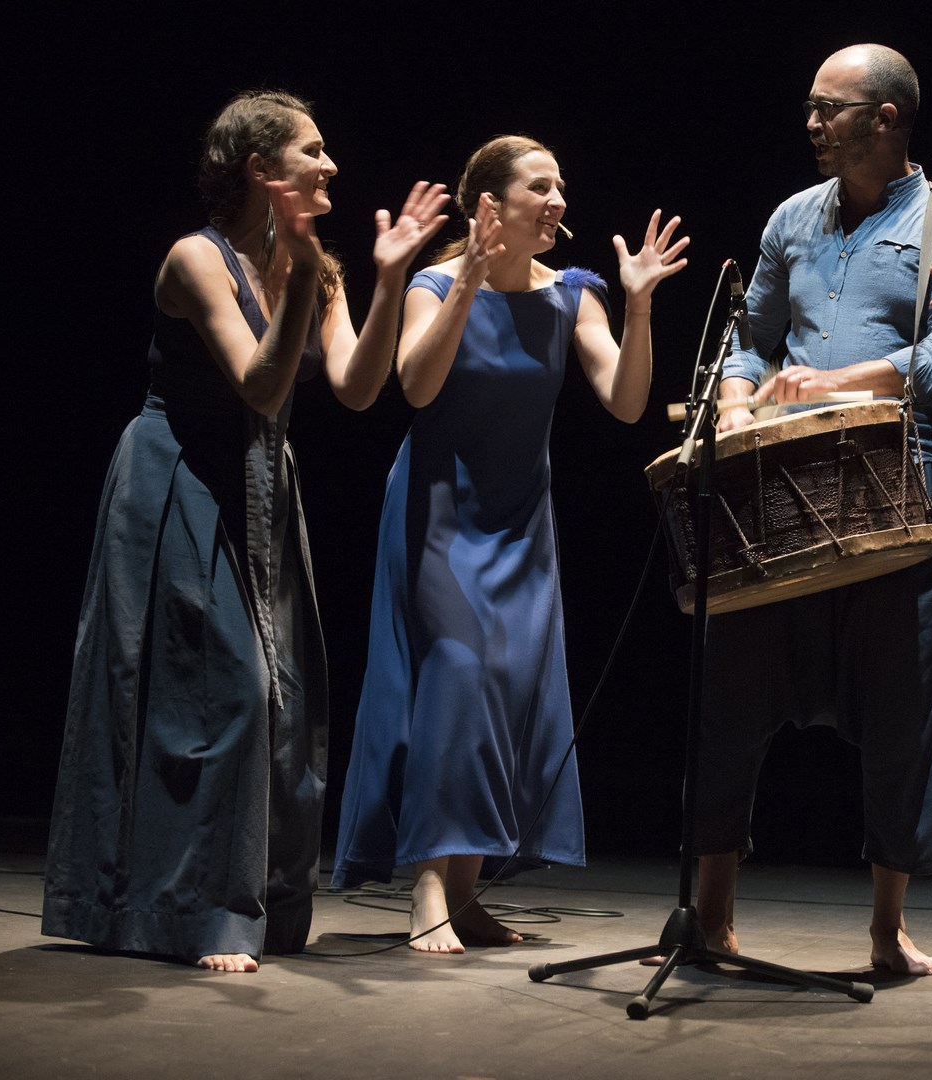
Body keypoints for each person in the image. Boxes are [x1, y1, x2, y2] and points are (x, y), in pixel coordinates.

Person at [42, 90, 449, 973]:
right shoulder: (196, 259)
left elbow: (354, 385)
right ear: (261, 171)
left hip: (265, 483)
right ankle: (186, 911)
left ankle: (246, 904)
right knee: (217, 690)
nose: (331, 164)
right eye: (312, 150)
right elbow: (259, 387)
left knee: (281, 699)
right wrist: (305, 278)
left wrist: (383, 283)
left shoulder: (321, 268)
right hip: (180, 478)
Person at [330, 135, 688, 953]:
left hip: (522, 518)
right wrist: (466, 279)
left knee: (511, 690)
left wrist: (636, 308)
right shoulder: (432, 283)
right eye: (540, 186)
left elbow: (628, 405)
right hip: (439, 512)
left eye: (562, 185)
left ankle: (467, 891)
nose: (559, 200)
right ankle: (427, 885)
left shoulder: (575, 294)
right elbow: (416, 387)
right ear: (490, 204)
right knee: (458, 676)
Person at [690, 44, 932, 977]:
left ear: (886, 117)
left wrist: (847, 378)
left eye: (830, 109)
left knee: (906, 709)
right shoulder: (792, 217)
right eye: (811, 109)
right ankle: (709, 915)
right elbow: (750, 339)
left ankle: (887, 927)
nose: (811, 124)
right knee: (729, 693)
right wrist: (737, 400)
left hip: (905, 476)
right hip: (784, 483)